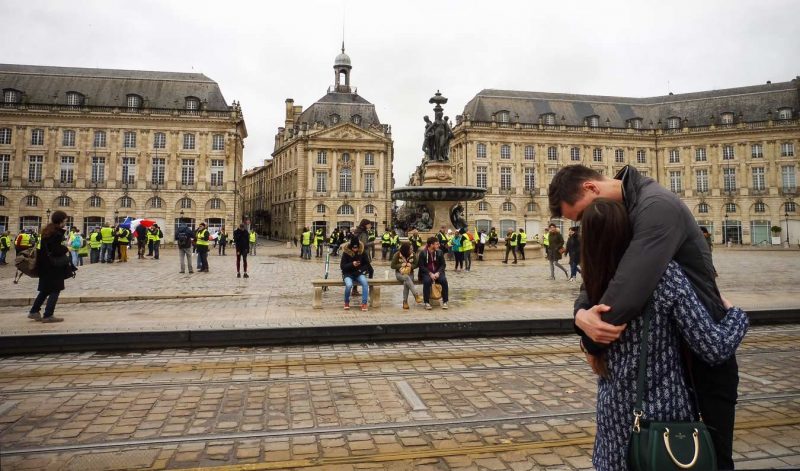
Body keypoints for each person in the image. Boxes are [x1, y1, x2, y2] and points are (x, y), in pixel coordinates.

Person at [548, 164, 738, 468]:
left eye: (582, 216)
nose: (586, 226)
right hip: (674, 359)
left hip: (700, 357)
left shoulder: (655, 206)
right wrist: (581, 316)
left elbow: (627, 290)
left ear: (591, 189)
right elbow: (599, 274)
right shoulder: (625, 211)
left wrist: (591, 339)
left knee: (711, 459)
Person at [28, 210, 71, 323]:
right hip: (53, 266)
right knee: (55, 290)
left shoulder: (45, 231)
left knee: (45, 290)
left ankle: (34, 311)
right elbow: (56, 250)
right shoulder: (56, 233)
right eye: (65, 220)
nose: (66, 222)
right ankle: (48, 315)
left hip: (43, 266)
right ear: (61, 220)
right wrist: (66, 248)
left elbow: (39, 248)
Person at [418, 236, 449, 310]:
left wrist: (438, 273)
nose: (439, 245)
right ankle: (426, 302)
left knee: (444, 281)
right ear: (431, 245)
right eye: (437, 244)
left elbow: (443, 265)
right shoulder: (423, 253)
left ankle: (445, 301)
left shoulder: (439, 252)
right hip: (427, 273)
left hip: (438, 272)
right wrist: (430, 273)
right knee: (427, 281)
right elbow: (421, 266)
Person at [340, 237, 371, 311]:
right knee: (349, 285)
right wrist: (352, 264)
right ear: (351, 247)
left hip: (359, 273)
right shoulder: (346, 253)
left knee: (365, 283)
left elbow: (367, 265)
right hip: (348, 274)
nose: (355, 249)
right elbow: (342, 266)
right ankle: (346, 302)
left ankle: (364, 303)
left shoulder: (362, 252)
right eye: (353, 248)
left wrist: (360, 270)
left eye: (356, 248)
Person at [391, 242, 423, 310]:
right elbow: (392, 265)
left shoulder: (413, 254)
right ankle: (416, 295)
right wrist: (400, 265)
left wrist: (411, 266)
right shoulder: (397, 254)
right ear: (406, 250)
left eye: (412, 249)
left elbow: (417, 264)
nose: (412, 250)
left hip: (410, 273)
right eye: (410, 249)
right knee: (406, 278)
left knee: (406, 282)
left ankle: (405, 302)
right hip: (400, 274)